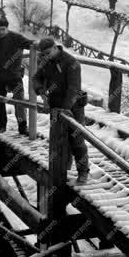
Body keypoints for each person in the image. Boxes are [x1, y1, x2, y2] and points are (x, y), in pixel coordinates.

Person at [33, 37, 90, 185]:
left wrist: (65, 109)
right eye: (42, 54)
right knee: (57, 138)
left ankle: (83, 171)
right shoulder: (45, 60)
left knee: (76, 139)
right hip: (55, 105)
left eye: (47, 53)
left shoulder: (71, 63)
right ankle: (61, 168)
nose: (45, 56)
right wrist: (41, 91)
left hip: (73, 106)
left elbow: (73, 89)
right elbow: (36, 77)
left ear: (55, 48)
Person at [0, 17, 34, 135]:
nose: (0, 32)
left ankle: (22, 126)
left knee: (19, 100)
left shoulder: (16, 37)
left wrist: (38, 45)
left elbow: (30, 44)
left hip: (14, 75)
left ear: (7, 28)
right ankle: (1, 125)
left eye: (3, 29)